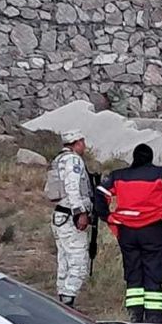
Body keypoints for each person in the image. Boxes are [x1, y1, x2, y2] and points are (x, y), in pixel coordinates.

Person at [95, 144, 162, 324]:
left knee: (132, 269)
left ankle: (134, 314)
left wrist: (108, 216)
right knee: (153, 269)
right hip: (152, 228)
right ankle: (154, 316)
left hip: (126, 230)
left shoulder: (118, 175)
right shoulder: (161, 173)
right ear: (151, 158)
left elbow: (100, 193)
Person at [44, 129, 93, 308]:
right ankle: (68, 298)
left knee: (64, 259)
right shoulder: (73, 160)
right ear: (77, 142)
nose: (85, 146)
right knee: (78, 261)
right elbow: (72, 188)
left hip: (61, 216)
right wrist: (80, 212)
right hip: (70, 217)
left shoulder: (58, 160)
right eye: (83, 142)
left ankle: (63, 298)